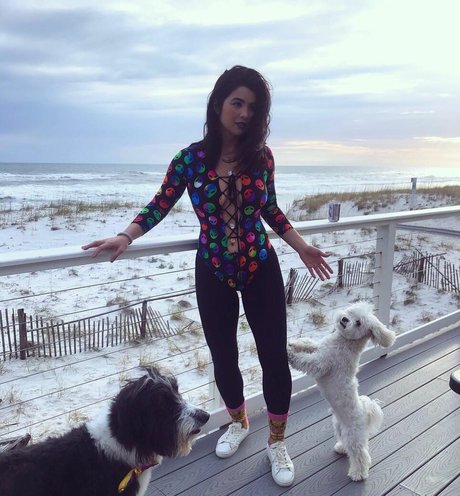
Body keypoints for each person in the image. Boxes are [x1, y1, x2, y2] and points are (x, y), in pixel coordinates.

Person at [82, 65, 332, 487]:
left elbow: (270, 208)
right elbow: (160, 203)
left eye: (253, 107)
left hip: (260, 266)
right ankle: (238, 422)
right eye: (237, 103)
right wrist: (125, 236)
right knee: (223, 355)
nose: (245, 113)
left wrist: (301, 245)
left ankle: (277, 442)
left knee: (273, 357)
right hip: (213, 269)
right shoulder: (189, 159)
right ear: (218, 104)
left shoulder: (262, 157)